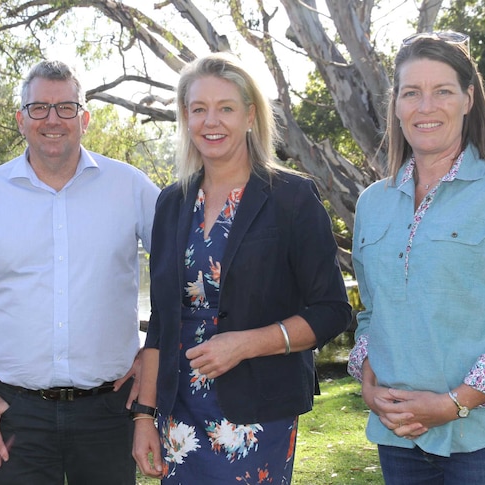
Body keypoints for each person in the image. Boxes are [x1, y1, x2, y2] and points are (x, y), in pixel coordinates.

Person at [347, 31, 485, 484]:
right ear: (397, 104)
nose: (426, 107)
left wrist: (453, 403)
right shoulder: (372, 203)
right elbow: (373, 313)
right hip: (400, 441)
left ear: (468, 99)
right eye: (412, 93)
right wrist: (369, 380)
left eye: (442, 91)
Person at [132, 52, 352, 483]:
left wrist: (246, 344)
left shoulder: (292, 198)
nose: (211, 121)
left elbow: (331, 311)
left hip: (258, 412)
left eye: (226, 108)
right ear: (186, 117)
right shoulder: (171, 203)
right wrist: (144, 416)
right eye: (199, 109)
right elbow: (162, 319)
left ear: (250, 115)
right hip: (179, 409)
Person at [0, 59, 160, 485]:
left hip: (110, 408)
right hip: (16, 411)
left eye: (65, 108)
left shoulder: (131, 188)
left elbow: (177, 280)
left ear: (85, 118)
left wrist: (150, 359)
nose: (52, 120)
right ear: (21, 119)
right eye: (39, 108)